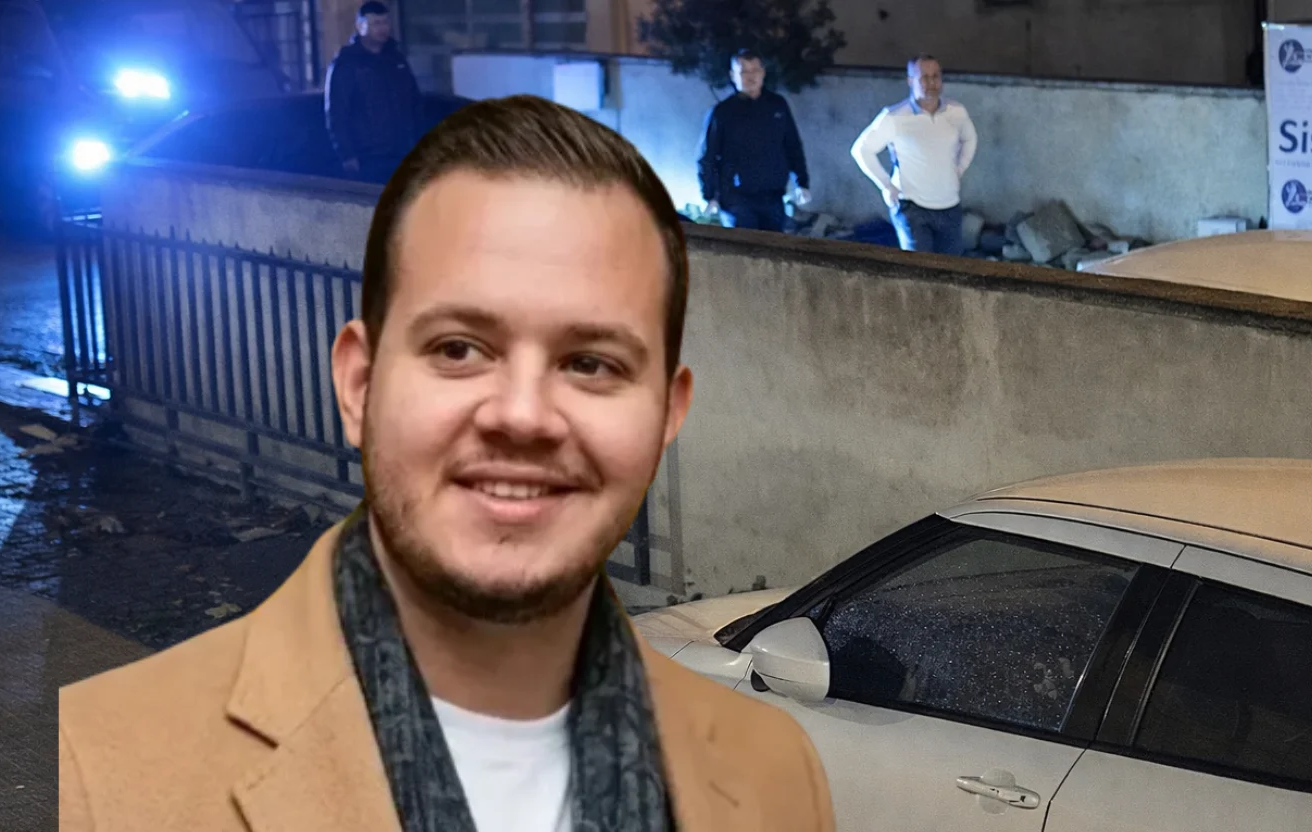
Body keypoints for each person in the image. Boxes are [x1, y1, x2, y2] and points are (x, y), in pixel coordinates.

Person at [58, 95, 835, 832]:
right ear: (359, 386)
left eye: (591, 362)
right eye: (459, 348)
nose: (523, 416)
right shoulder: (124, 771)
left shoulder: (772, 771)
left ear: (667, 413)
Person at [850, 54, 978, 255]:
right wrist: (886, 185)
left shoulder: (956, 113)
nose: (931, 83)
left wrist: (959, 169)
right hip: (912, 207)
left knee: (951, 268)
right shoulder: (895, 117)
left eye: (935, 76)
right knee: (918, 268)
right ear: (910, 81)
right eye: (924, 77)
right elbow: (861, 150)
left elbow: (970, 139)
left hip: (949, 205)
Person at [697, 50, 811, 232]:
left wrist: (801, 182)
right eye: (744, 72)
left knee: (773, 247)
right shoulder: (722, 113)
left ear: (763, 72)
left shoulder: (777, 106)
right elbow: (707, 156)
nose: (751, 77)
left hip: (773, 197)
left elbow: (792, 145)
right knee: (742, 248)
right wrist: (709, 195)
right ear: (733, 76)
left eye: (755, 70)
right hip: (736, 199)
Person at [325, 1, 422, 184]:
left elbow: (413, 101)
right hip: (368, 157)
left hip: (401, 152)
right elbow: (337, 111)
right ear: (360, 26)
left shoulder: (395, 59)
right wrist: (347, 154)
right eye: (376, 23)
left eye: (385, 22)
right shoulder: (347, 63)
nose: (382, 28)